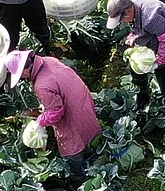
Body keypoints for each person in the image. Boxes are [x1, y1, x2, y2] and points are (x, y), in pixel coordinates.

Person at [7, 49, 101, 178]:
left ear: (24, 71)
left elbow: (56, 112)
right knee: (88, 133)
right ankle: (95, 157)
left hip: (72, 114)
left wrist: (40, 123)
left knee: (71, 151)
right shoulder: (48, 60)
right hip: (83, 101)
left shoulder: (42, 86)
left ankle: (82, 180)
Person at [106, 0, 165, 117]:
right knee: (136, 73)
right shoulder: (134, 7)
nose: (122, 22)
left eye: (121, 19)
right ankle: (142, 100)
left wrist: (159, 62)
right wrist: (133, 36)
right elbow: (135, 26)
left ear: (128, 11)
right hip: (151, 41)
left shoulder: (151, 18)